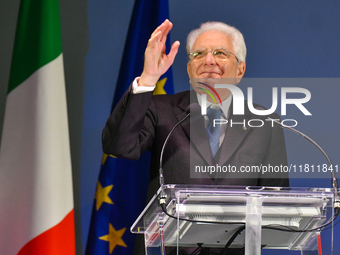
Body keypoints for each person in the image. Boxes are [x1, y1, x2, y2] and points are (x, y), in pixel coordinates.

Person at [102, 19, 289, 254]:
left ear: (240, 69)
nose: (209, 60)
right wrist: (149, 77)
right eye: (199, 54)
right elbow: (119, 145)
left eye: (220, 53)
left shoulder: (265, 122)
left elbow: (276, 204)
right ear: (190, 69)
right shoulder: (161, 109)